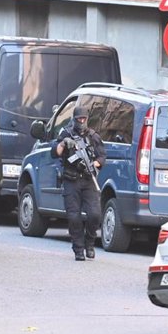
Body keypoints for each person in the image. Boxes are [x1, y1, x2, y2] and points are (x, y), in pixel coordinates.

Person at [52, 106, 106, 261]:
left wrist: (93, 164)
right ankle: (78, 249)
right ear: (74, 119)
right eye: (79, 119)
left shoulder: (93, 136)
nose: (81, 121)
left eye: (84, 119)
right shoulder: (66, 133)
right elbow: (54, 152)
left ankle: (90, 243)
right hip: (71, 180)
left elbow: (102, 156)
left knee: (95, 215)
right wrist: (63, 144)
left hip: (89, 180)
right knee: (74, 217)